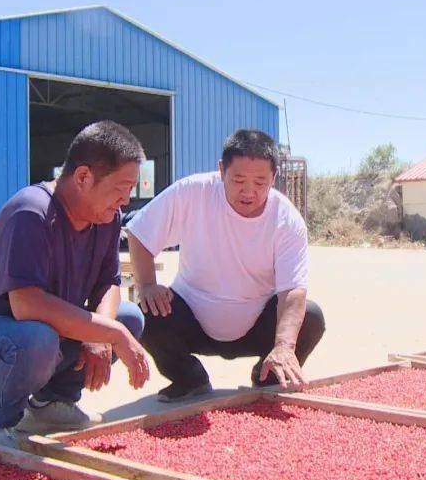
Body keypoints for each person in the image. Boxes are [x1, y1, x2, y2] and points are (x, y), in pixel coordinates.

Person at [0, 120, 151, 450]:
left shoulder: (107, 219)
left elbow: (108, 283)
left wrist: (104, 333)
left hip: (35, 341)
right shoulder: (32, 212)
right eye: (121, 187)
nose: (126, 199)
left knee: (128, 317)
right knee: (39, 335)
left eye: (131, 189)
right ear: (83, 177)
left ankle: (52, 403)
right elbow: (27, 306)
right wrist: (108, 333)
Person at [126, 129, 325, 402]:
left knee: (311, 317)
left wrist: (284, 345)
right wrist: (147, 285)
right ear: (222, 170)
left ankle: (267, 374)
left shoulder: (286, 219)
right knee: (145, 312)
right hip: (192, 318)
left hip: (256, 323)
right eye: (239, 180)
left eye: (260, 182)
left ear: (274, 178)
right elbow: (140, 232)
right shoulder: (192, 192)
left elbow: (292, 291)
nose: (249, 192)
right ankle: (189, 378)